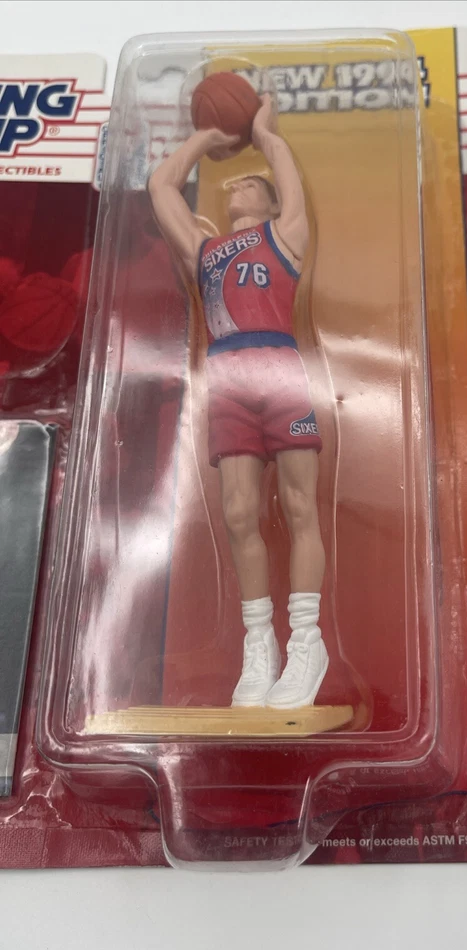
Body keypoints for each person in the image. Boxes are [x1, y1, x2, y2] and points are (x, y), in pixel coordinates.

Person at [148, 93, 329, 710]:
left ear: (273, 203)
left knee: (299, 505)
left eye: (251, 182)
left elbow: (282, 166)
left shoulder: (286, 234)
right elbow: (161, 184)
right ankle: (260, 644)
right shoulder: (203, 249)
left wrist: (263, 131)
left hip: (280, 371)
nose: (235, 184)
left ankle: (307, 640)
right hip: (226, 379)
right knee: (238, 513)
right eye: (233, 181)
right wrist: (207, 135)